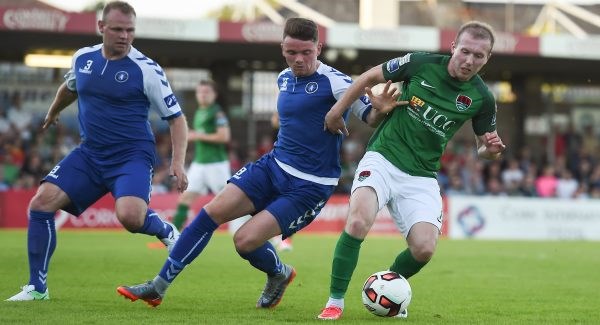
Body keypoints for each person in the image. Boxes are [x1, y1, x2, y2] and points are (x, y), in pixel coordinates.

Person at [116, 17, 389, 308]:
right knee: (209, 213)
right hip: (273, 166)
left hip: (309, 186)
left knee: (244, 242)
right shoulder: (283, 78)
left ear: (318, 48)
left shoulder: (336, 81)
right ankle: (158, 287)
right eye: (291, 52)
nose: (298, 59)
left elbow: (369, 116)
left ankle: (279, 273)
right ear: (282, 47)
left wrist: (379, 111)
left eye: (306, 53)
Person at [317, 20, 506, 320]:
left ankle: (387, 286)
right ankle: (334, 302)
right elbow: (368, 76)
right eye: (465, 51)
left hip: (421, 176)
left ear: (487, 59)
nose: (470, 61)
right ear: (454, 47)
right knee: (357, 221)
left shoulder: (483, 98)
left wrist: (490, 152)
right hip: (383, 157)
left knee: (424, 249)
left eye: (479, 56)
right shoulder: (420, 63)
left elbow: (484, 149)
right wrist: (336, 110)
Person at [6, 1, 188, 302]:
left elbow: (177, 119)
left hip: (132, 155)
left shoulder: (146, 69)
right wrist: (52, 112)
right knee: (40, 204)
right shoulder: (83, 58)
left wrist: (178, 163)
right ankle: (37, 288)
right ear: (101, 27)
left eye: (130, 30)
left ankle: (165, 230)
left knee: (130, 218)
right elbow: (71, 87)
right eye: (117, 29)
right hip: (90, 153)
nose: (125, 36)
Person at [170, 80, 249, 233]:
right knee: (185, 198)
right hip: (199, 164)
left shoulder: (217, 112)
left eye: (207, 92)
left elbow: (224, 136)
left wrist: (197, 135)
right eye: (200, 92)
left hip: (216, 164)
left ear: (214, 95)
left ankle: (247, 227)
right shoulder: (200, 112)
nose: (203, 95)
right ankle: (173, 237)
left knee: (231, 201)